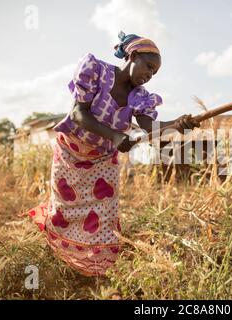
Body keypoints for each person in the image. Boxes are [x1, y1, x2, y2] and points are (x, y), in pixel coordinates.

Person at [24, 31, 200, 276]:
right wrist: (116, 137)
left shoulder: (140, 97)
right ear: (133, 55)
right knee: (65, 208)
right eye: (148, 67)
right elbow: (78, 114)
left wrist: (177, 124)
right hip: (71, 151)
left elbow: (150, 128)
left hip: (102, 159)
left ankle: (95, 268)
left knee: (105, 213)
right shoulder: (96, 71)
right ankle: (63, 256)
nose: (149, 76)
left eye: (154, 73)